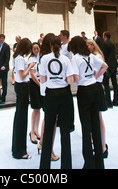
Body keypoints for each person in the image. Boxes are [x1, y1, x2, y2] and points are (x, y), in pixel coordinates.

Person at [68, 35, 108, 169]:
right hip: (95, 88)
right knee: (95, 125)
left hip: (84, 91)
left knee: (86, 129)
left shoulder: (76, 59)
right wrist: (94, 77)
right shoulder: (91, 56)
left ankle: (89, 163)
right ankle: (99, 162)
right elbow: (104, 66)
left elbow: (76, 78)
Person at [39, 35, 74, 170]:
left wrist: (52, 81)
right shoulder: (65, 59)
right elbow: (70, 80)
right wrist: (62, 81)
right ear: (60, 46)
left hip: (51, 94)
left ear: (50, 46)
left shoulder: (44, 59)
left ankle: (44, 167)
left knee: (48, 130)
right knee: (65, 132)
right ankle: (66, 166)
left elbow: (42, 79)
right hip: (64, 94)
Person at [11, 37, 35, 160]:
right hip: (22, 87)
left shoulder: (17, 57)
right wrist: (30, 66)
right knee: (22, 118)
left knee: (19, 116)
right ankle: (20, 151)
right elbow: (22, 75)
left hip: (20, 87)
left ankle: (16, 148)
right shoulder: (20, 58)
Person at [87, 39, 108, 158]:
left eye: (88, 45)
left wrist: (95, 77)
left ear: (92, 45)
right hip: (93, 86)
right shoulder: (92, 56)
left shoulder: (97, 56)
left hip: (97, 86)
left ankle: (103, 146)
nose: (86, 47)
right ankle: (97, 141)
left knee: (99, 118)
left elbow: (104, 67)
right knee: (95, 117)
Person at [27, 42, 42, 144]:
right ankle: (32, 131)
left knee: (39, 107)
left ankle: (36, 129)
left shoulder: (40, 58)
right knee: (35, 107)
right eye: (34, 49)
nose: (36, 50)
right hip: (34, 84)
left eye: (37, 48)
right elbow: (32, 74)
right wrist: (40, 84)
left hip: (40, 82)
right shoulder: (31, 59)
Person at [102, 31, 118, 108]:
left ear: (105, 36)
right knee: (114, 83)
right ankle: (116, 101)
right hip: (114, 64)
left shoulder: (105, 44)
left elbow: (104, 55)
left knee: (106, 84)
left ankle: (108, 102)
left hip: (109, 65)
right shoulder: (112, 43)